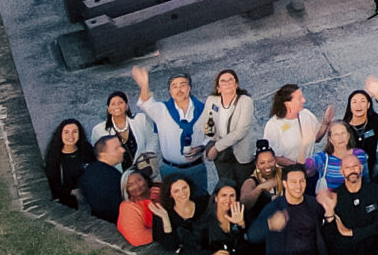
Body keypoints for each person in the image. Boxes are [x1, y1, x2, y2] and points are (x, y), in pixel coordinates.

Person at [131, 66, 212, 200]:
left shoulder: (203, 110)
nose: (179, 89)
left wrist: (202, 146)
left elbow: (211, 134)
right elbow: (146, 102)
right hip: (171, 169)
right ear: (170, 91)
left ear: (189, 88)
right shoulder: (162, 110)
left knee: (200, 200)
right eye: (174, 86)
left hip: (196, 168)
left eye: (183, 85)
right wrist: (144, 85)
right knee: (172, 203)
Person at [248, 166, 326, 255]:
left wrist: (329, 213)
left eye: (302, 181)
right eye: (293, 182)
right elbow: (252, 236)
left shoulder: (314, 204)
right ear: (285, 184)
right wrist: (270, 224)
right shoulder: (274, 207)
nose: (298, 186)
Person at [319, 155, 378, 255]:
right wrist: (329, 213)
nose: (352, 170)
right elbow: (330, 236)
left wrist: (351, 233)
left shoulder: (376, 191)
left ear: (361, 168)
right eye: (347, 167)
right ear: (341, 171)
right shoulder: (334, 196)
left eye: (355, 166)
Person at [199, 69, 257, 187]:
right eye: (223, 81)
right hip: (222, 156)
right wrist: (206, 138)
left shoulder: (245, 101)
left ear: (236, 84)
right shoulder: (211, 100)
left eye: (231, 80)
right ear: (218, 88)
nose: (227, 83)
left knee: (244, 187)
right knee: (226, 186)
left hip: (241, 153)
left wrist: (216, 147)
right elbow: (205, 122)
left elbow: (241, 131)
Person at [149, 175, 212, 255]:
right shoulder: (162, 214)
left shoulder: (205, 203)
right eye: (176, 191)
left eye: (184, 188)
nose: (182, 193)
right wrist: (165, 219)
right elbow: (169, 246)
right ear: (170, 194)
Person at [305, 121, 368, 194]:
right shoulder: (323, 157)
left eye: (343, 133)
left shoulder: (360, 154)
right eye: (336, 135)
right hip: (333, 199)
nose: (340, 138)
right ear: (330, 139)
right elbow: (306, 165)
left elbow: (366, 179)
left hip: (357, 197)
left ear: (348, 135)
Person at [262, 84, 318, 166]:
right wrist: (297, 167)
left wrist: (326, 123)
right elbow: (273, 156)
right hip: (289, 170)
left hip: (308, 167)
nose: (304, 100)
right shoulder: (273, 125)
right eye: (299, 98)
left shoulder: (306, 114)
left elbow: (317, 138)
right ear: (287, 104)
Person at [44, 119, 94, 208]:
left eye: (75, 132)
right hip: (69, 203)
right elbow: (53, 185)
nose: (71, 136)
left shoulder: (86, 149)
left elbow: (95, 170)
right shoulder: (54, 157)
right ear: (60, 134)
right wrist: (72, 192)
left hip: (90, 196)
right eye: (66, 132)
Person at [92, 90, 151, 166]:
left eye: (120, 103)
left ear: (126, 106)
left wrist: (148, 158)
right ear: (109, 109)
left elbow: (152, 139)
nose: (117, 106)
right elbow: (98, 155)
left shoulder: (140, 119)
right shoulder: (99, 130)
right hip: (115, 171)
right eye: (113, 104)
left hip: (143, 168)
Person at [79, 135, 128, 224]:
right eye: (117, 148)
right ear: (103, 154)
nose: (123, 150)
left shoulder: (91, 169)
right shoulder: (110, 177)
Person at [206, 182, 249, 255]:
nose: (228, 200)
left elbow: (251, 243)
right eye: (224, 195)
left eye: (232, 196)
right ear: (216, 198)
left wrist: (242, 225)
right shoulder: (205, 222)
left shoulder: (242, 214)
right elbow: (190, 248)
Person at [114, 171, 156, 248]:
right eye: (130, 185)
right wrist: (166, 231)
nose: (136, 185)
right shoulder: (128, 207)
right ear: (126, 189)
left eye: (139, 180)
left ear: (146, 179)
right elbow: (137, 238)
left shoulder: (158, 192)